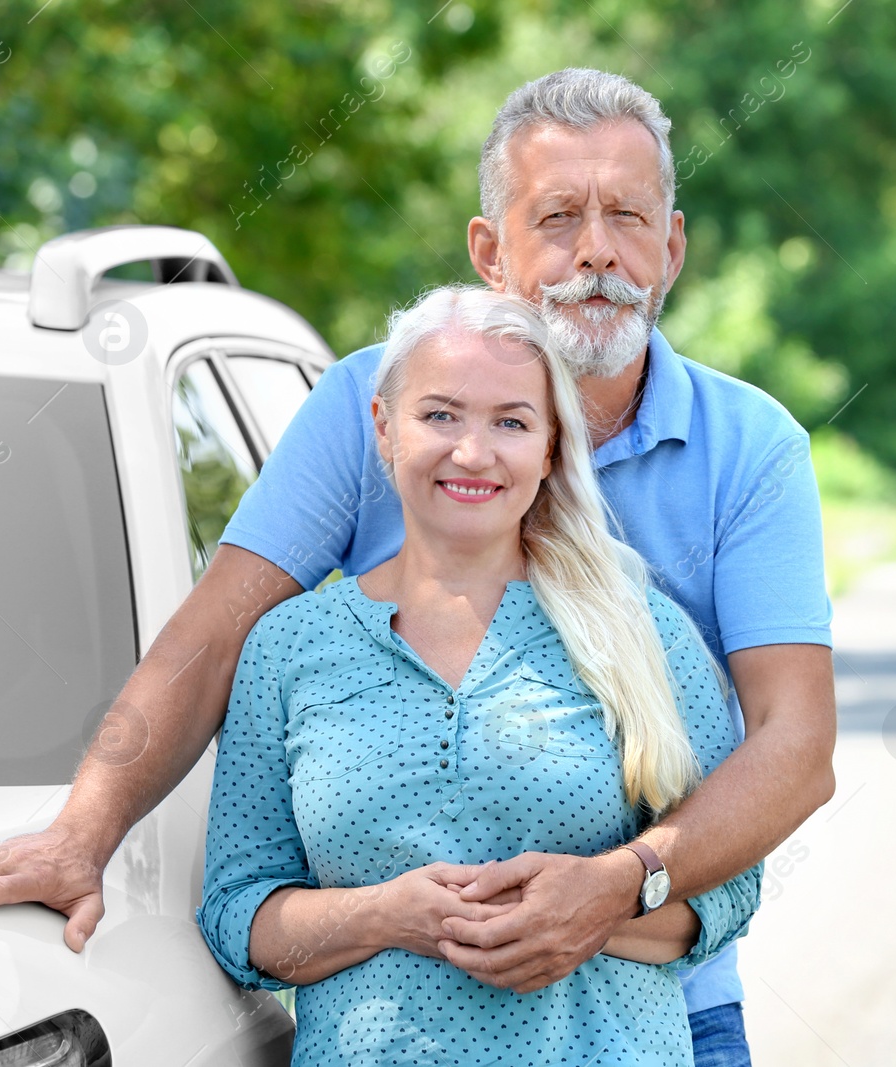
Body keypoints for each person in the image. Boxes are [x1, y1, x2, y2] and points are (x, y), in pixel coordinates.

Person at [0, 68, 836, 1065]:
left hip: (658, 999)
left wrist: (623, 883)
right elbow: (217, 633)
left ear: (672, 244)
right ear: (491, 250)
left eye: (627, 215)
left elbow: (794, 743)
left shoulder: (748, 452)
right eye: (559, 216)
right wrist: (83, 832)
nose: (598, 250)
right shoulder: (373, 406)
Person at [199, 285, 759, 1064]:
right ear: (384, 426)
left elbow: (731, 891)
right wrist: (386, 914)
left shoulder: (644, 631)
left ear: (551, 447)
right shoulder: (288, 647)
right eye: (440, 414)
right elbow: (236, 914)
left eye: (511, 422)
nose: (472, 451)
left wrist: (598, 904)